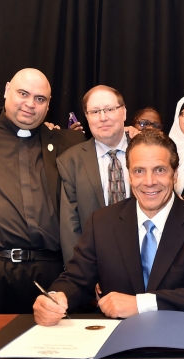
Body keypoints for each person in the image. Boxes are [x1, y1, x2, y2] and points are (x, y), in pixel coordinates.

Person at [34, 130, 184, 325]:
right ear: (129, 175)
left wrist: (142, 303)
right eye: (139, 171)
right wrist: (54, 298)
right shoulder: (102, 222)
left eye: (159, 170)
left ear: (175, 174)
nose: (149, 182)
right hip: (116, 345)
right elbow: (75, 280)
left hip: (178, 342)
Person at [0, 68, 86, 314]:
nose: (30, 104)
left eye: (40, 99)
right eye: (23, 94)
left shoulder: (69, 144)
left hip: (49, 275)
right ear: (6, 90)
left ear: (48, 106)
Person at [57, 85, 130, 263]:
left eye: (110, 109)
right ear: (87, 117)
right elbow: (70, 228)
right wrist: (81, 276)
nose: (103, 118)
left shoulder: (148, 152)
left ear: (124, 113)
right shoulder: (70, 161)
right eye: (95, 111)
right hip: (95, 265)